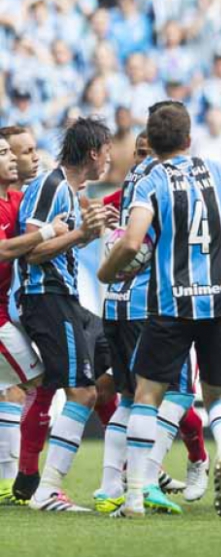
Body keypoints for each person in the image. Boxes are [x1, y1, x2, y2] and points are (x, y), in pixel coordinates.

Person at [97, 103, 221, 519]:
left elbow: (130, 241)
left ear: (151, 145)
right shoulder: (220, 171)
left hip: (172, 304)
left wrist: (107, 273)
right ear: (189, 139)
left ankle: (135, 496)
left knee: (147, 394)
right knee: (218, 395)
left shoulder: (151, 179)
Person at [94, 114, 210, 517]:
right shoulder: (161, 183)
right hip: (154, 306)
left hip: (119, 303)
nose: (144, 157)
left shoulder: (135, 184)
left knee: (133, 398)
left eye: (147, 150)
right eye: (139, 152)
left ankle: (114, 484)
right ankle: (145, 481)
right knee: (175, 394)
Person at [16, 117, 109, 511]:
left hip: (67, 299)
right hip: (47, 298)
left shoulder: (71, 192)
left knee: (110, 372)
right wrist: (81, 236)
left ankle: (127, 473)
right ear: (93, 153)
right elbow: (30, 250)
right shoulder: (50, 187)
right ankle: (47, 489)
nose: (109, 159)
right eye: (106, 151)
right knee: (82, 391)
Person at [0, 134, 70, 505]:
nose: (13, 159)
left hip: (6, 311)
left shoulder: (15, 200)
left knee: (19, 387)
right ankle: (24, 479)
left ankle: (13, 480)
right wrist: (46, 232)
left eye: (16, 152)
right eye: (5, 153)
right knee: (40, 382)